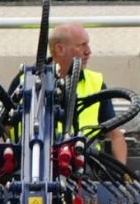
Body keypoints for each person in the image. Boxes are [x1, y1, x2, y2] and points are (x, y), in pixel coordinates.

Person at [48, 23, 127, 165]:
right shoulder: (27, 82)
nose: (88, 51)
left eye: (87, 45)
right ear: (60, 49)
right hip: (37, 170)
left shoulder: (96, 83)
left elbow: (116, 136)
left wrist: (123, 176)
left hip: (87, 170)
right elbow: (3, 132)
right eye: (81, 46)